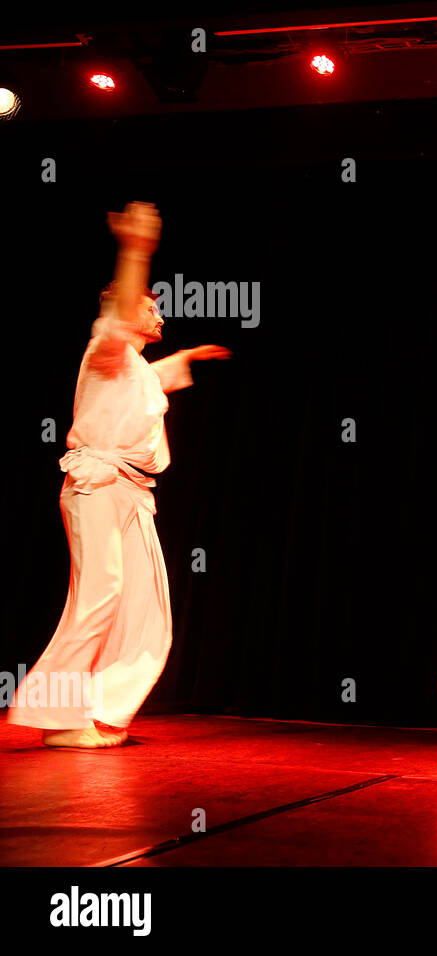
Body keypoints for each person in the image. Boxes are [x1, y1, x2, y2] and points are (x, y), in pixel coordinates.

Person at [7, 201, 231, 748]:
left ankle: (103, 708)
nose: (160, 316)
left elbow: (147, 380)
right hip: (98, 486)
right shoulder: (104, 350)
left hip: (131, 494)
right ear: (124, 312)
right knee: (100, 595)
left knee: (145, 605)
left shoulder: (130, 367)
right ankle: (55, 718)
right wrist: (136, 249)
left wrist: (189, 359)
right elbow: (122, 324)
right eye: (150, 309)